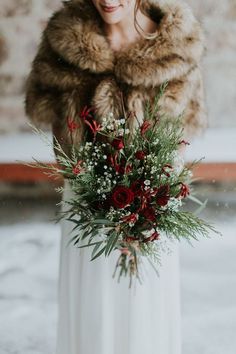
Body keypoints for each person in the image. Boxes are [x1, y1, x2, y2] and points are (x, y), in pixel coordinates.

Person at [24, 1, 207, 353]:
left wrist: (154, 197)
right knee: (93, 303)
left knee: (146, 302)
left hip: (153, 201)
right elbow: (48, 116)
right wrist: (90, 178)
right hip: (86, 199)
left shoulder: (176, 42)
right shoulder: (66, 39)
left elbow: (182, 132)